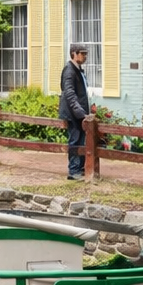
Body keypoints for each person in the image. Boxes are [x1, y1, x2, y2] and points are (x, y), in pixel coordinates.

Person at [58, 43, 91, 182]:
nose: (85, 56)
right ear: (74, 53)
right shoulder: (69, 70)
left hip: (79, 112)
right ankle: (73, 170)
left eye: (85, 54)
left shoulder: (78, 70)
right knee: (75, 140)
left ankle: (80, 168)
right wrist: (81, 113)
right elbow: (69, 94)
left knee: (82, 140)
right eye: (82, 54)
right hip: (74, 114)